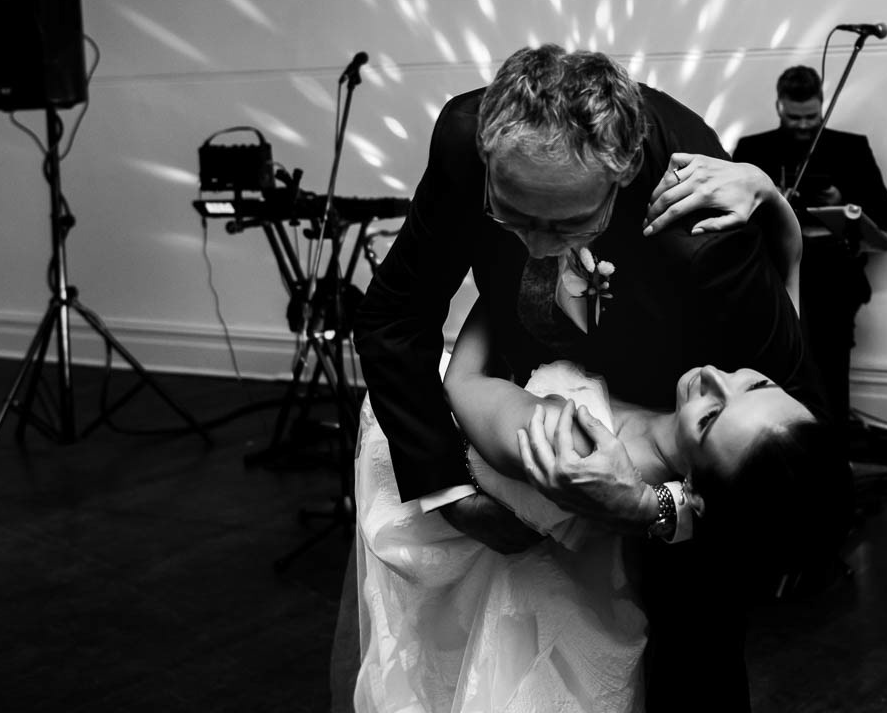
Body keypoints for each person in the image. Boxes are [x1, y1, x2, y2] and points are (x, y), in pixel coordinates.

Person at [351, 44, 828, 711]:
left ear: (622, 174)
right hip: (539, 399)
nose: (539, 246)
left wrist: (653, 509)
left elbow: (797, 481)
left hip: (684, 444)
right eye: (513, 215)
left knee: (693, 651)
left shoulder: (698, 216)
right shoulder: (463, 141)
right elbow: (395, 315)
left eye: (571, 222)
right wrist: (446, 490)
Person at [353, 301, 839, 712]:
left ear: (694, 494)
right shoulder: (727, 456)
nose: (714, 376)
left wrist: (507, 277)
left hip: (418, 432)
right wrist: (790, 244)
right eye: (756, 386)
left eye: (709, 418)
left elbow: (461, 383)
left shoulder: (580, 447)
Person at [732, 65, 887, 419]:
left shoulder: (851, 148)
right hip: (771, 277)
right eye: (795, 117)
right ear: (779, 106)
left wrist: (842, 199)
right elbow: (731, 214)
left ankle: (833, 444)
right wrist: (770, 201)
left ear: (822, 104)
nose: (804, 125)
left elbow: (885, 215)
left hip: (833, 278)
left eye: (811, 116)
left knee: (831, 372)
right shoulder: (753, 149)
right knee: (774, 371)